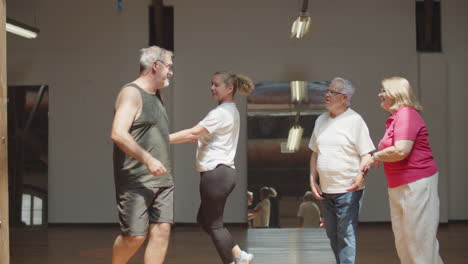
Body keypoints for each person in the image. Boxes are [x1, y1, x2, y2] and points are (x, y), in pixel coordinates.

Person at [169, 71, 254, 264]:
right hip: (223, 174)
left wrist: (160, 139)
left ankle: (234, 260)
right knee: (205, 220)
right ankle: (239, 254)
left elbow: (192, 132)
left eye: (216, 85)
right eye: (211, 84)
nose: (212, 88)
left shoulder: (220, 113)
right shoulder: (231, 111)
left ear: (229, 88)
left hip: (216, 175)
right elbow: (197, 138)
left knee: (214, 225)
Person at [367, 77, 443, 264]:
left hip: (415, 183)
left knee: (419, 242)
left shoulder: (407, 114)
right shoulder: (395, 119)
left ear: (395, 94)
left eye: (383, 90)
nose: (380, 94)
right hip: (398, 185)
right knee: (405, 242)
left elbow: (401, 150)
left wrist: (375, 156)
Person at [110, 46, 174, 264]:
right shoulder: (131, 93)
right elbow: (118, 133)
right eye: (169, 67)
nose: (171, 72)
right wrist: (148, 159)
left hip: (163, 180)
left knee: (162, 230)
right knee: (135, 237)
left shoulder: (158, 95)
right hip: (136, 180)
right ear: (155, 66)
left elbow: (156, 135)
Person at [309, 77, 375, 263]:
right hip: (326, 190)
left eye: (333, 92)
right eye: (327, 91)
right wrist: (312, 180)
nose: (327, 94)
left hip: (348, 190)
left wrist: (360, 175)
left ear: (345, 98)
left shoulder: (355, 120)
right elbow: (315, 153)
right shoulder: (321, 120)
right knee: (332, 234)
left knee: (345, 234)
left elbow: (367, 154)